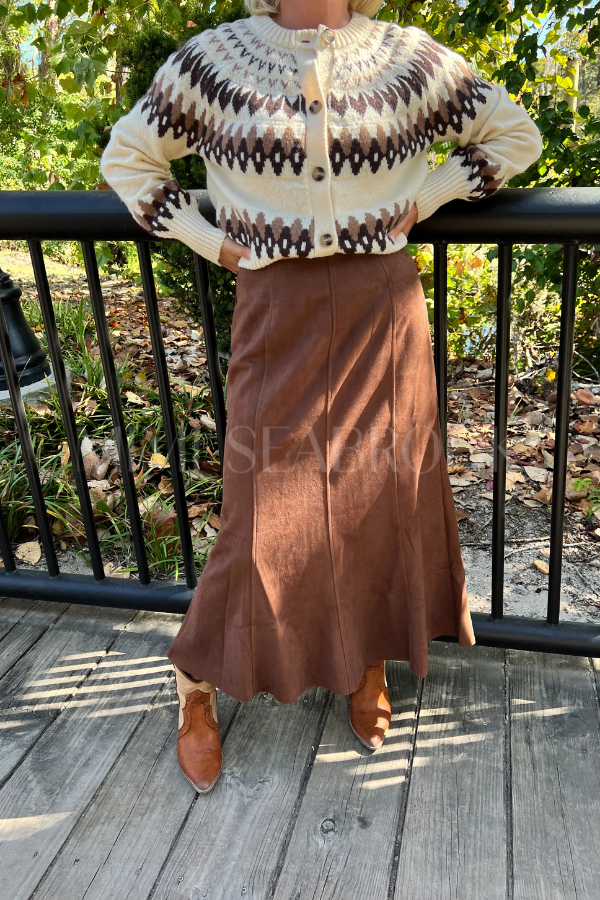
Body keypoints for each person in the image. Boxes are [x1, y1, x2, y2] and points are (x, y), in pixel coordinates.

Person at [100, 0, 543, 794]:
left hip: (383, 306)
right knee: (260, 516)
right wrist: (211, 241)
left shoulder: (408, 58)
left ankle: (366, 662)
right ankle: (194, 681)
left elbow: (515, 136)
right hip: (276, 308)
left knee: (380, 498)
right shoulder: (214, 61)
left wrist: (428, 196)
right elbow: (130, 158)